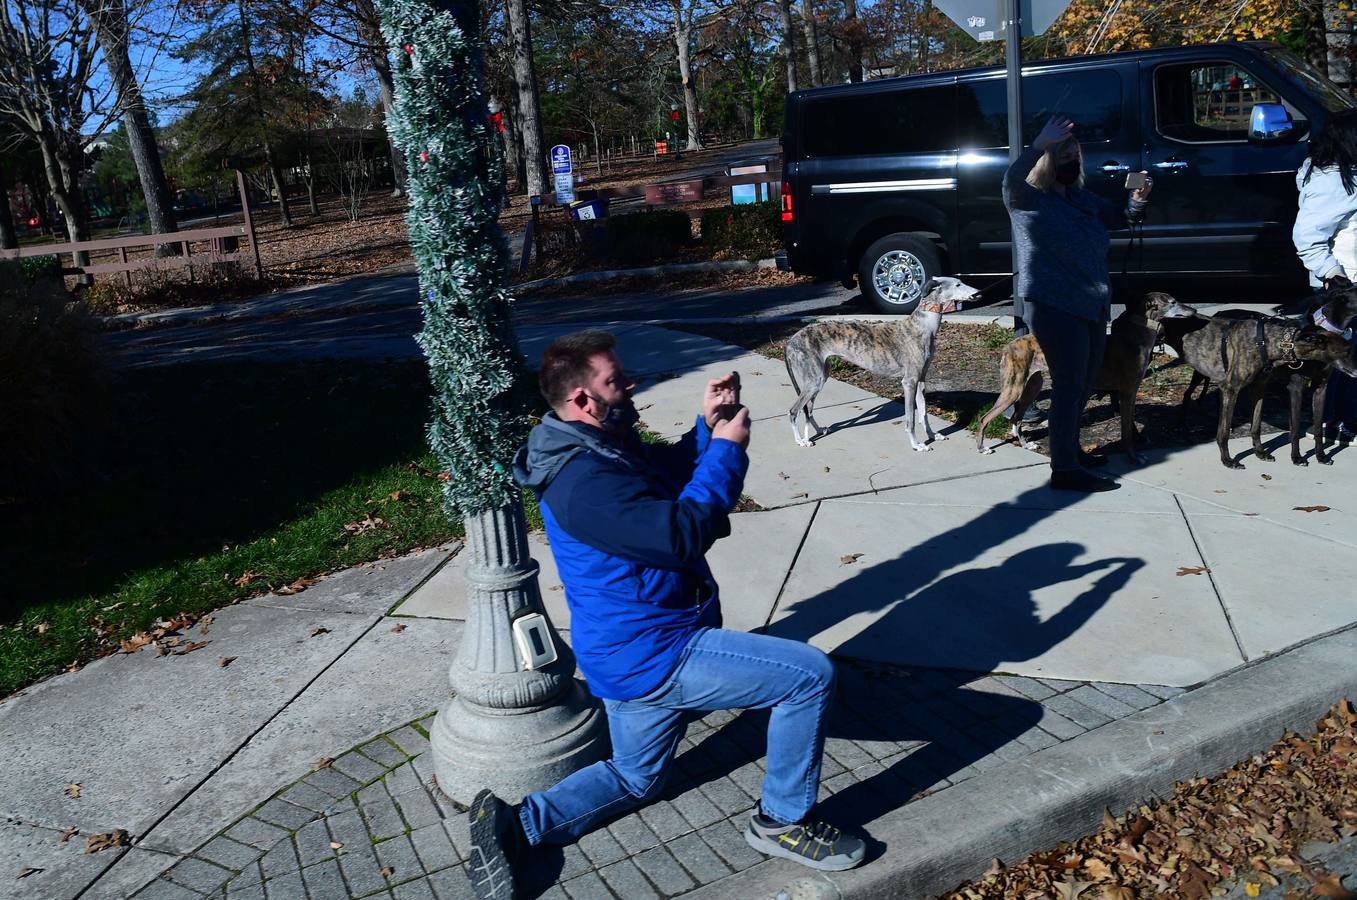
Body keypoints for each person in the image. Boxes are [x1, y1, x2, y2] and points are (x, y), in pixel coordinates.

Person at [466, 330, 867, 900]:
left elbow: (663, 477)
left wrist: (707, 428)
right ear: (582, 399)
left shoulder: (593, 444)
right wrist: (728, 453)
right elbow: (680, 534)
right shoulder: (582, 482)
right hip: (657, 653)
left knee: (638, 778)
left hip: (627, 654)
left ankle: (519, 823)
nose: (629, 384)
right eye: (615, 380)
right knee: (807, 676)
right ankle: (782, 821)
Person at [1003, 114, 1153, 493]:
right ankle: (1065, 471)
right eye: (1062, 152)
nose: (1070, 158)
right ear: (1046, 158)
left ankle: (1070, 452)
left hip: (1091, 305)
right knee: (1070, 385)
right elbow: (1008, 183)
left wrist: (1136, 200)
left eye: (1074, 152)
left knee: (1085, 383)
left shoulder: (1082, 199)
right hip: (1054, 304)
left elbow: (1120, 218)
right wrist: (1038, 143)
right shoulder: (1029, 201)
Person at [1292, 108, 1357, 443]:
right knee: (1343, 360)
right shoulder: (1333, 181)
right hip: (1345, 291)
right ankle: (1337, 423)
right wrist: (1332, 274)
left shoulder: (1347, 174)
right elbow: (1307, 236)